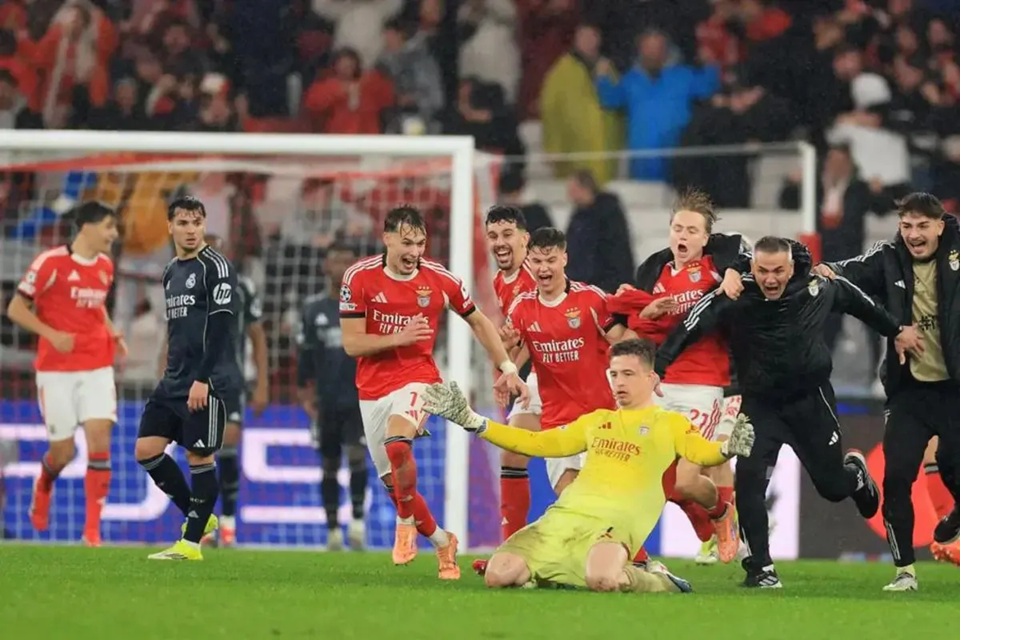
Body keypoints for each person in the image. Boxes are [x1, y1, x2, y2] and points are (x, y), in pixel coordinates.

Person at [657, 236, 923, 588]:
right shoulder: (737, 294)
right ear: (751, 268)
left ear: (791, 267)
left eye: (778, 271)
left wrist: (896, 331)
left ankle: (854, 475)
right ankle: (761, 569)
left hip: (810, 402)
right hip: (759, 405)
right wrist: (659, 365)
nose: (770, 279)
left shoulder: (817, 287)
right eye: (763, 270)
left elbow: (861, 304)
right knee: (749, 480)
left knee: (831, 486)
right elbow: (694, 321)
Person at [420, 338, 756, 592]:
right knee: (498, 575)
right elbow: (536, 443)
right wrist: (473, 420)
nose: (619, 382)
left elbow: (701, 453)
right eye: (614, 374)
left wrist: (728, 448)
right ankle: (554, 573)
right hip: (565, 519)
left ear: (652, 379)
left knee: (604, 579)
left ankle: (660, 580)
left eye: (628, 374)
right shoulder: (597, 421)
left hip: (614, 525)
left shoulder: (669, 423)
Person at [339, 205, 527, 580]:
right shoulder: (358, 277)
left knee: (398, 446)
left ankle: (405, 523)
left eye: (421, 243)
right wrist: (399, 336)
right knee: (395, 483)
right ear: (387, 238)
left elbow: (478, 320)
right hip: (372, 387)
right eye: (406, 242)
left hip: (418, 378)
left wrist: (507, 366)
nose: (414, 251)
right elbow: (351, 344)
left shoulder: (439, 279)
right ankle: (443, 542)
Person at [814, 193, 960, 589]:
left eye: (922, 226)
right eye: (907, 226)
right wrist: (824, 269)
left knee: (958, 464)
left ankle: (957, 517)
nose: (914, 235)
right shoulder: (887, 257)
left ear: (940, 226)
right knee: (896, 478)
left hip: (958, 389)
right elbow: (844, 273)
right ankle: (905, 572)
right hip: (908, 392)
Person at [608, 190, 749, 565]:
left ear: (706, 239)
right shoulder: (653, 271)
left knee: (687, 479)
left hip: (706, 385)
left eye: (691, 230)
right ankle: (703, 532)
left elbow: (744, 252)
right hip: (661, 382)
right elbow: (634, 329)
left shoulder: (718, 267)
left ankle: (723, 517)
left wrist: (734, 270)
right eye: (677, 228)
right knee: (656, 478)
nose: (682, 236)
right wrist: (647, 314)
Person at [8, 201, 125, 547]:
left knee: (99, 441)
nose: (114, 234)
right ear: (86, 227)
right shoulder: (50, 263)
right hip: (56, 371)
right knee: (63, 453)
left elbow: (96, 304)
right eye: (108, 226)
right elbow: (15, 307)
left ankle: (92, 531)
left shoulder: (105, 265)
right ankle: (44, 483)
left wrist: (111, 329)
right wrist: (51, 334)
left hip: (97, 365)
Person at [134, 196, 243, 560]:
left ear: (204, 225)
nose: (191, 230)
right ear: (170, 226)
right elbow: (179, 329)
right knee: (146, 451)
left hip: (205, 380)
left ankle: (191, 544)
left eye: (196, 222)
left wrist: (203, 379)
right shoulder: (170, 271)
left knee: (199, 455)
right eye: (183, 223)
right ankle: (201, 518)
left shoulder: (217, 266)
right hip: (174, 379)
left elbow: (222, 325)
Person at [296, 242, 368, 552]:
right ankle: (332, 530)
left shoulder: (367, 306)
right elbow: (305, 358)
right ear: (326, 266)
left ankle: (358, 523)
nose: (341, 267)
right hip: (326, 399)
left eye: (347, 261)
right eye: (336, 261)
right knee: (328, 463)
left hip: (360, 398)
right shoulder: (314, 310)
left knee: (356, 456)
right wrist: (305, 393)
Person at [208, 235, 269, 548]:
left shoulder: (242, 286)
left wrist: (262, 383)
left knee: (229, 441)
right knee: (200, 449)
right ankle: (203, 524)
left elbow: (257, 336)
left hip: (231, 377)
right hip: (196, 378)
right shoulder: (185, 285)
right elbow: (175, 333)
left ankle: (229, 523)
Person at [485, 205, 538, 542]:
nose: (500, 243)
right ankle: (511, 547)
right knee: (512, 453)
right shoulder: (500, 280)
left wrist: (511, 369)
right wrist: (507, 367)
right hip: (541, 378)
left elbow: (545, 326)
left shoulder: (534, 273)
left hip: (570, 374)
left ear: (524, 238)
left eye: (507, 235)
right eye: (493, 236)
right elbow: (524, 335)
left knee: (577, 473)